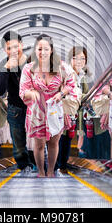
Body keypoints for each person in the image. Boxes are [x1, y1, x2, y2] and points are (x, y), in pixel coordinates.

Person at [19, 34, 78, 177]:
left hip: (55, 109)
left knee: (53, 143)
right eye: (39, 49)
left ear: (51, 50)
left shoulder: (62, 66)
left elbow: (71, 84)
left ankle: (51, 171)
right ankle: (40, 172)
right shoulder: (29, 68)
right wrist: (31, 94)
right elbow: (23, 90)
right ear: (35, 50)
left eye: (46, 49)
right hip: (37, 111)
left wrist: (61, 93)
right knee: (38, 145)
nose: (43, 52)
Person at [0, 31, 32, 170]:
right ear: (5, 50)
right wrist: (6, 69)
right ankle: (24, 167)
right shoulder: (3, 65)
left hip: (33, 108)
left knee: (37, 139)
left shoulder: (31, 62)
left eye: (16, 47)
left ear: (22, 45)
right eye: (9, 48)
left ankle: (38, 164)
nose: (14, 51)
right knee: (18, 144)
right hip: (15, 108)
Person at [56, 46, 90, 174]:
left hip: (73, 112)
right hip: (64, 110)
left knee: (68, 138)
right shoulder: (66, 72)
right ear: (71, 59)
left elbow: (84, 93)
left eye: (83, 58)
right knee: (62, 138)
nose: (79, 61)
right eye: (76, 58)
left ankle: (62, 165)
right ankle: (59, 165)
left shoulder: (82, 76)